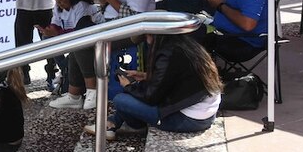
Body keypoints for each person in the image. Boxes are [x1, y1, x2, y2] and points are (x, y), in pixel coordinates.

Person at [62, 0, 157, 111]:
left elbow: (138, 19)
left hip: (130, 32)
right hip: (110, 24)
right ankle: (74, 94)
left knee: (83, 44)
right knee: (78, 34)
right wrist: (104, 0)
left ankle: (91, 92)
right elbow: (110, 6)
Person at [84, 34, 222, 140]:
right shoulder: (184, 45)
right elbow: (176, 80)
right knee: (133, 94)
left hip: (188, 119)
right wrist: (146, 76)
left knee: (121, 99)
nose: (146, 41)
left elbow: (151, 98)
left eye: (146, 36)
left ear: (151, 36)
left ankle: (119, 124)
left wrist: (130, 86)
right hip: (203, 112)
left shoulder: (167, 54)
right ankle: (112, 123)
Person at [40, 0, 96, 108]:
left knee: (78, 46)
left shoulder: (82, 6)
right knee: (46, 39)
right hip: (69, 38)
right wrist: (49, 30)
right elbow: (56, 23)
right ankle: (65, 67)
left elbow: (80, 31)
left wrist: (57, 33)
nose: (58, 2)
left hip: (87, 38)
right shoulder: (58, 7)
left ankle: (88, 91)